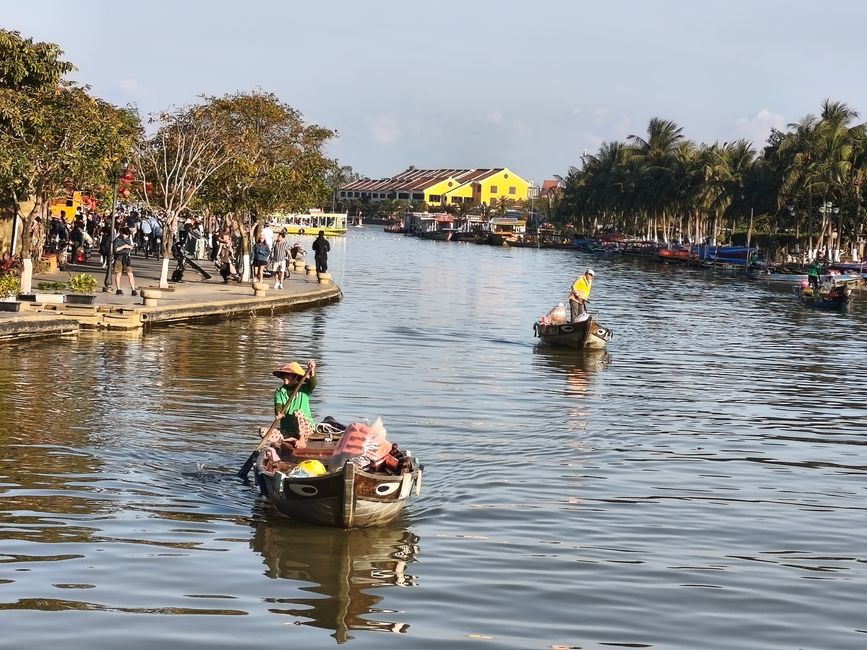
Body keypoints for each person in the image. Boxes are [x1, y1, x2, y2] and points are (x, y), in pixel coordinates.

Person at [272, 359, 317, 441]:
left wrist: (312, 369)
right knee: (263, 431)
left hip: (305, 429)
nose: (285, 377)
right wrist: (278, 412)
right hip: (288, 430)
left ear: (295, 377)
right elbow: (278, 405)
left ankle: (301, 439)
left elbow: (312, 384)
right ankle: (292, 439)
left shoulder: (304, 388)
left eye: (288, 375)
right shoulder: (279, 391)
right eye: (284, 375)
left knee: (297, 413)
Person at [113, 227, 138, 296]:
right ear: (121, 233)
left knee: (130, 274)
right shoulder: (117, 240)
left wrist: (130, 247)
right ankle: (118, 289)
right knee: (118, 274)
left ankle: (133, 289)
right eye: (125, 234)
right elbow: (115, 249)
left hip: (126, 258)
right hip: (119, 258)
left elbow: (130, 247)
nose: (126, 236)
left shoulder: (128, 239)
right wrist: (124, 246)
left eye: (127, 235)